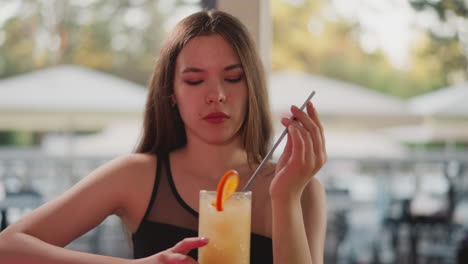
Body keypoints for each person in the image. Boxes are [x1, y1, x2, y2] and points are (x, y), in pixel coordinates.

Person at [0, 10, 327, 264]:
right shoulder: (135, 176)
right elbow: (7, 248)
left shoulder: (300, 190)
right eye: (194, 81)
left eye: (233, 77)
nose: (216, 95)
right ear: (171, 92)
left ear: (252, 86)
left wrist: (284, 199)